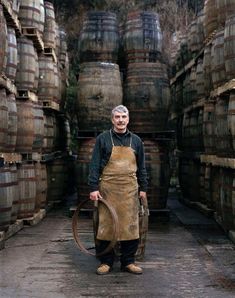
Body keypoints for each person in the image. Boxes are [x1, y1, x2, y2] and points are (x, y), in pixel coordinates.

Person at [88, 105, 148, 275]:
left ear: (128, 119)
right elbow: (94, 165)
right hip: (108, 189)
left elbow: (142, 167)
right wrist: (93, 187)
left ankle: (128, 262)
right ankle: (106, 262)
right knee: (106, 226)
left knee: (130, 225)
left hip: (130, 190)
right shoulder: (103, 139)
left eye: (123, 117)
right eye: (117, 117)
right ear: (112, 119)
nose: (120, 120)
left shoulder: (136, 141)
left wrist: (143, 188)